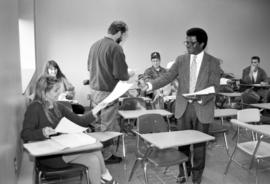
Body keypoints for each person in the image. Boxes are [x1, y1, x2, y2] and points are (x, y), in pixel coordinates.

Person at [141, 28, 221, 184]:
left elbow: (214, 86)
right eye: (186, 42)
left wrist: (201, 97)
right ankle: (183, 172)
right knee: (183, 144)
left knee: (199, 146)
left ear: (202, 44)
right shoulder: (181, 60)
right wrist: (150, 85)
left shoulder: (213, 62)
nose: (188, 45)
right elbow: (167, 76)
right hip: (183, 108)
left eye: (192, 43)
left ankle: (197, 177)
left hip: (202, 108)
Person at [21, 75, 118, 184]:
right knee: (95, 149)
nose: (59, 93)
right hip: (50, 156)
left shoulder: (58, 106)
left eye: (59, 89)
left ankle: (105, 176)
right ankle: (107, 177)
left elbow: (80, 121)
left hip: (64, 149)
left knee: (94, 160)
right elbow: (25, 134)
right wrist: (42, 132)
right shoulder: (35, 108)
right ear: (44, 93)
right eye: (55, 90)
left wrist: (98, 108)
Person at [87, 20, 134, 164]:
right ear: (119, 32)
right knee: (108, 126)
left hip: (94, 91)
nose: (123, 38)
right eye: (124, 35)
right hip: (108, 93)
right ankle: (106, 156)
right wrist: (129, 73)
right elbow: (121, 74)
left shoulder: (94, 45)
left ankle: (97, 152)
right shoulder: (116, 48)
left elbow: (89, 68)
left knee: (97, 123)